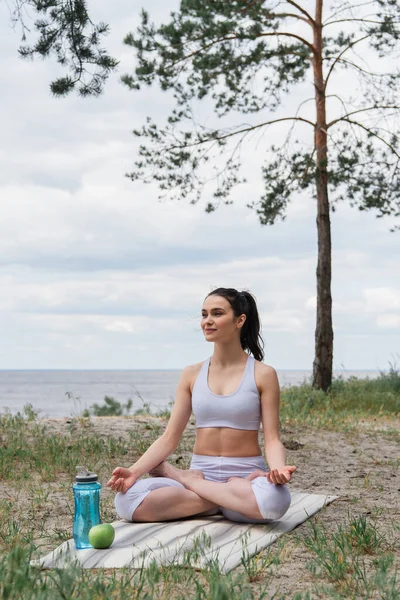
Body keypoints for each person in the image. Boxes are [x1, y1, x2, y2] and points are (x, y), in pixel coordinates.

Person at [107, 287, 296, 524]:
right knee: (126, 502)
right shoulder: (191, 374)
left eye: (217, 314)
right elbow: (169, 437)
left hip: (243, 476)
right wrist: (133, 472)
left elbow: (272, 439)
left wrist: (277, 470)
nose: (208, 321)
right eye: (204, 314)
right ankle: (220, 499)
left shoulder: (263, 374)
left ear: (240, 320)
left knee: (275, 501)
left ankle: (191, 484)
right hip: (218, 480)